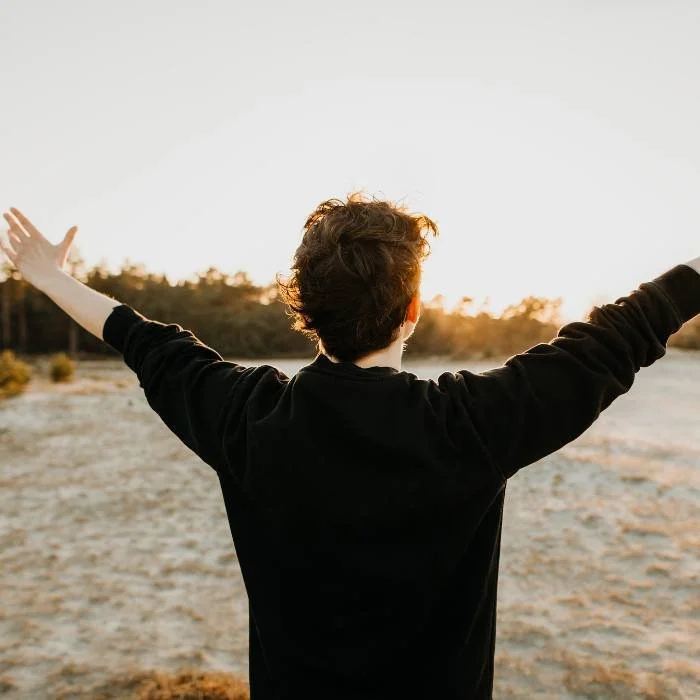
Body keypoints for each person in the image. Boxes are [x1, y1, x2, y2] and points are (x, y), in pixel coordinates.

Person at [2, 194, 699, 700]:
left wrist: (50, 278)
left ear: (303, 309)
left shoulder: (247, 418)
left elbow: (144, 340)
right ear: (412, 311)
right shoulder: (470, 425)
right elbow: (616, 337)